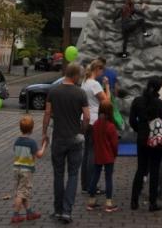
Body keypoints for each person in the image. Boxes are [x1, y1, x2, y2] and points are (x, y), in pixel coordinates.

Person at [42, 62, 90, 224]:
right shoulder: (80, 93)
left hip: (58, 138)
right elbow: (87, 116)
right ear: (75, 75)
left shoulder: (53, 91)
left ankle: (57, 210)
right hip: (75, 138)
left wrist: (44, 133)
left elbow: (47, 113)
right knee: (73, 174)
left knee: (58, 174)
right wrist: (82, 131)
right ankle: (67, 212)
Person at [129, 77, 162, 212]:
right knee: (154, 170)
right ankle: (153, 202)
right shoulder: (160, 104)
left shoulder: (137, 101)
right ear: (159, 89)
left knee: (141, 169)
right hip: (156, 141)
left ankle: (134, 201)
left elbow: (131, 120)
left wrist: (140, 129)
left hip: (142, 139)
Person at [11, 115, 48, 223]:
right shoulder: (31, 142)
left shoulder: (17, 141)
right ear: (32, 129)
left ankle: (29, 213)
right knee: (21, 193)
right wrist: (44, 145)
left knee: (23, 191)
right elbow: (39, 154)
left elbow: (15, 151)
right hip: (26, 171)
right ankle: (15, 215)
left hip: (16, 169)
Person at [81, 60, 110, 192]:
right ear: (97, 69)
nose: (102, 73)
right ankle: (92, 185)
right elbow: (106, 102)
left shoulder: (84, 82)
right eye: (101, 70)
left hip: (84, 120)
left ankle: (85, 184)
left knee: (86, 153)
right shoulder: (95, 84)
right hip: (94, 120)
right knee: (92, 153)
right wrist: (107, 86)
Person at [86, 100, 119, 213]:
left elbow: (94, 140)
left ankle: (91, 201)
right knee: (108, 178)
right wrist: (115, 154)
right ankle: (109, 203)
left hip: (98, 154)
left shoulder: (95, 124)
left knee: (95, 176)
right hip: (109, 155)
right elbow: (114, 144)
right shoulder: (111, 126)